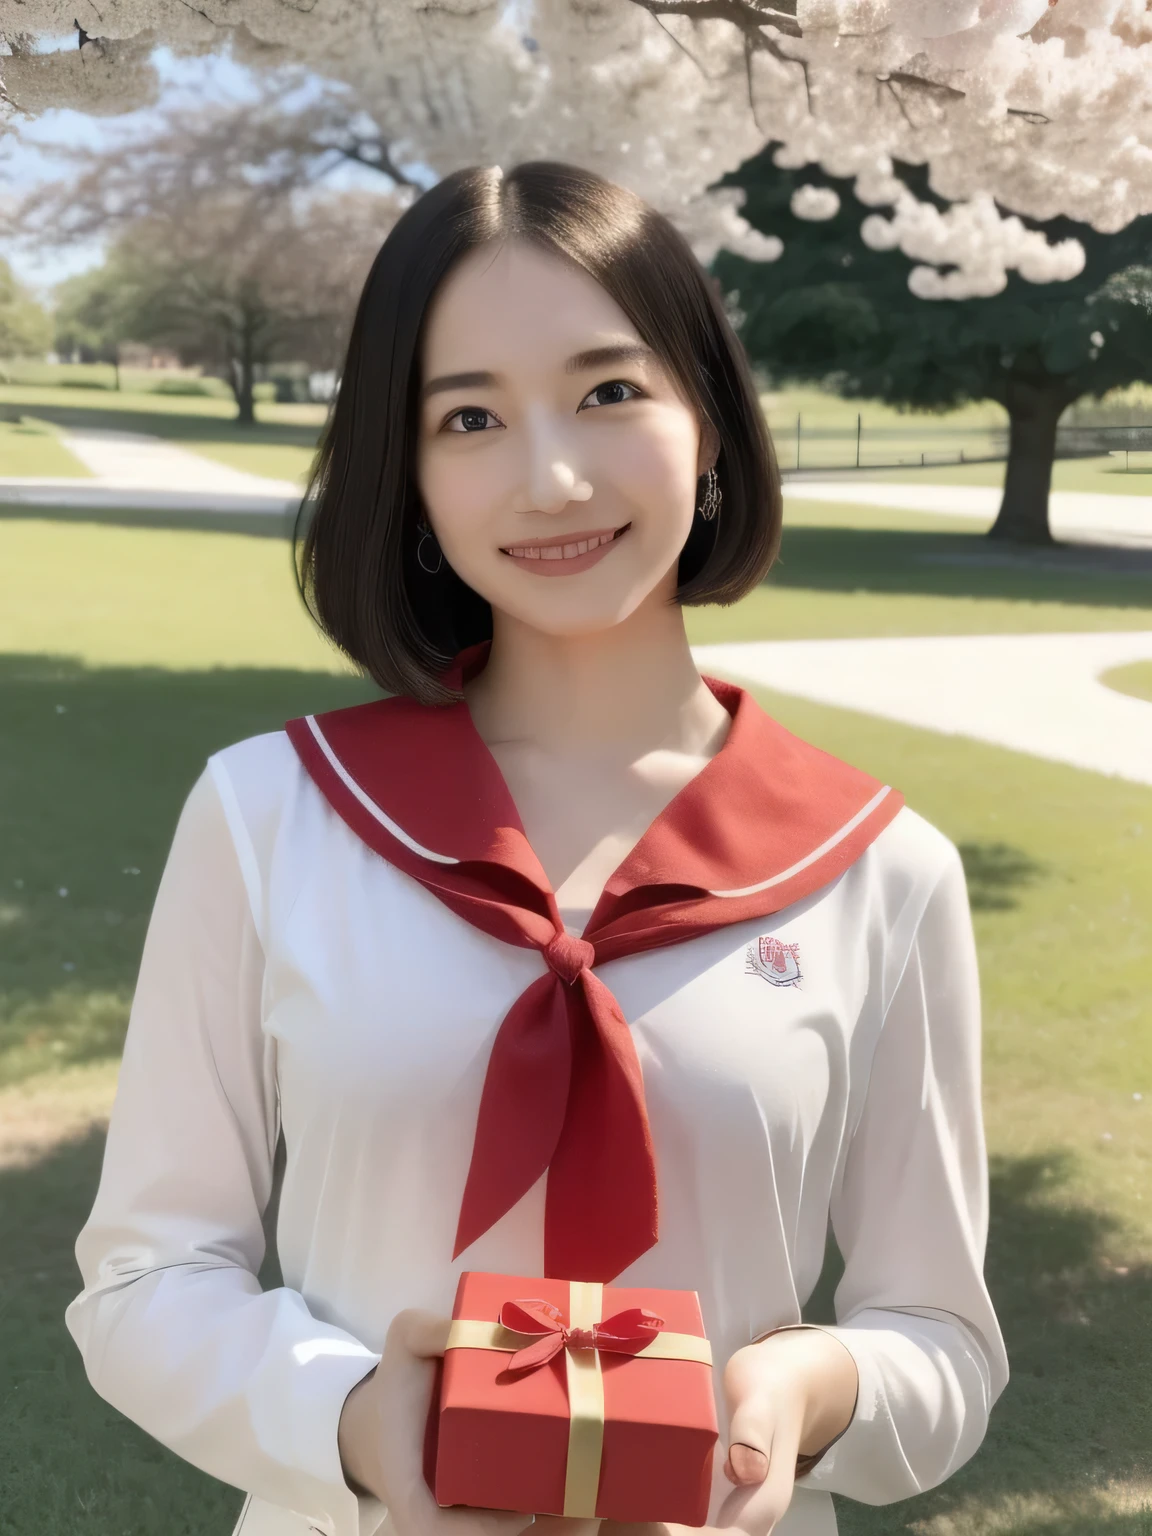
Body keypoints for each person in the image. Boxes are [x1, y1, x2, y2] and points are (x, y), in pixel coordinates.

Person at [64, 161, 1009, 1536]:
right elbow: (145, 1277)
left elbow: (944, 1340)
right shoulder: (269, 816)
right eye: (469, 417)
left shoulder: (881, 869)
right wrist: (348, 1419)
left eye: (609, 391)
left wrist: (821, 1391)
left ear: (710, 419)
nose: (551, 477)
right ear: (410, 474)